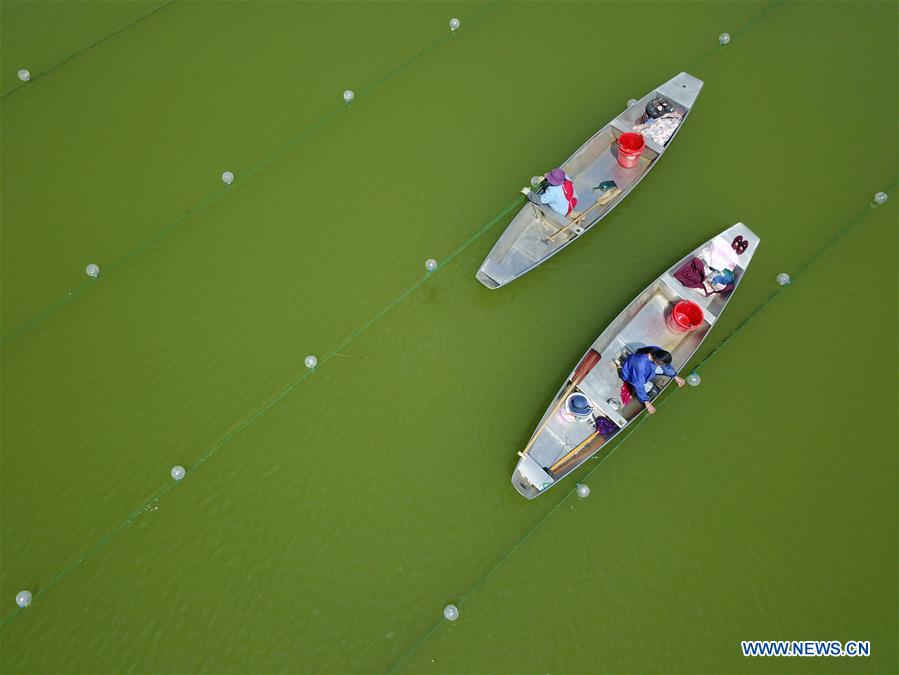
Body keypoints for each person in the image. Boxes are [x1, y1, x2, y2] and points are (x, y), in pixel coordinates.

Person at [619, 347, 685, 414]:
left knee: (665, 372)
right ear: (657, 362)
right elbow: (638, 385)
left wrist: (675, 376)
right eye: (661, 364)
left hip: (647, 370)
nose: (662, 365)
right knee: (654, 391)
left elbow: (666, 366)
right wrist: (647, 403)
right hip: (632, 376)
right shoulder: (640, 365)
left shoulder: (658, 352)